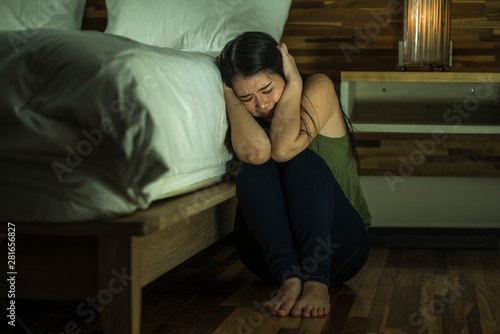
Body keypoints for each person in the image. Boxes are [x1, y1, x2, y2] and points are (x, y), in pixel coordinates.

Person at [217, 31, 372, 318]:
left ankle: (315, 281)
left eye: (266, 89)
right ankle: (290, 280)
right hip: (270, 260)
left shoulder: (318, 85)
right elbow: (255, 153)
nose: (262, 105)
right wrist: (229, 95)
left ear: (284, 69)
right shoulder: (245, 108)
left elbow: (285, 149)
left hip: (339, 248)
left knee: (299, 159)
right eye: (246, 97)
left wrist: (296, 82)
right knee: (255, 164)